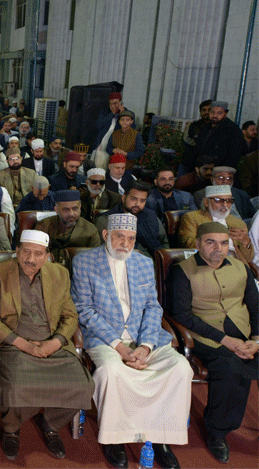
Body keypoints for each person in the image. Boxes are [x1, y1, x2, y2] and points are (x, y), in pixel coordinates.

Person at [72, 213, 193, 469]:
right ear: (106, 235)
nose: (125, 244)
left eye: (131, 238)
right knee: (111, 372)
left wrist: (145, 346)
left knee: (181, 368)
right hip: (106, 339)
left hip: (144, 337)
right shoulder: (84, 262)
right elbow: (84, 309)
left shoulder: (143, 262)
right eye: (119, 237)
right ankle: (114, 439)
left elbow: (153, 306)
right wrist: (119, 346)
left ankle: (160, 437)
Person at [0, 230, 93, 460]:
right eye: (26, 252)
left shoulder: (60, 274)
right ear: (17, 251)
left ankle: (50, 424)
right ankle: (11, 429)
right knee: (16, 384)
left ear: (47, 256)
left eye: (38, 254)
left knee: (82, 386)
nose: (31, 259)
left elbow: (71, 316)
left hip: (53, 346)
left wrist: (56, 342)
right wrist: (24, 345)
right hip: (14, 344)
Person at [168, 222, 259, 465]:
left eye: (223, 242)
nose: (218, 248)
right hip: (206, 336)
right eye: (210, 242)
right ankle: (218, 432)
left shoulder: (241, 266)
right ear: (197, 244)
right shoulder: (183, 271)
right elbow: (182, 314)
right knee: (230, 366)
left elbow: (256, 306)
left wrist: (256, 340)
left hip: (245, 332)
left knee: (245, 359)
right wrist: (227, 341)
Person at [178, 185, 254, 265]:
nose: (225, 205)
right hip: (206, 264)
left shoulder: (238, 223)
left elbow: (248, 259)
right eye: (218, 200)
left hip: (237, 267)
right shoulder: (192, 218)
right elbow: (188, 245)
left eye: (229, 200)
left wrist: (246, 242)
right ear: (206, 202)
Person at [96, 182, 169, 257]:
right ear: (124, 198)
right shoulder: (106, 220)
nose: (137, 204)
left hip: (154, 261)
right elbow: (102, 251)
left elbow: (164, 242)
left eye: (142, 200)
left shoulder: (151, 216)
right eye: (134, 199)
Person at [35, 190, 101, 264]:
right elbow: (35, 252)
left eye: (75, 209)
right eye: (66, 210)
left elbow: (96, 258)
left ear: (80, 207)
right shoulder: (44, 225)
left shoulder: (90, 229)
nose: (71, 214)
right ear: (56, 210)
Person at [195, 101, 243, 169]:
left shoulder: (232, 130)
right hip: (203, 168)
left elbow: (234, 155)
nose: (214, 115)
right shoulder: (205, 127)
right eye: (212, 112)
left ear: (226, 114)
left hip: (220, 169)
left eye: (219, 113)